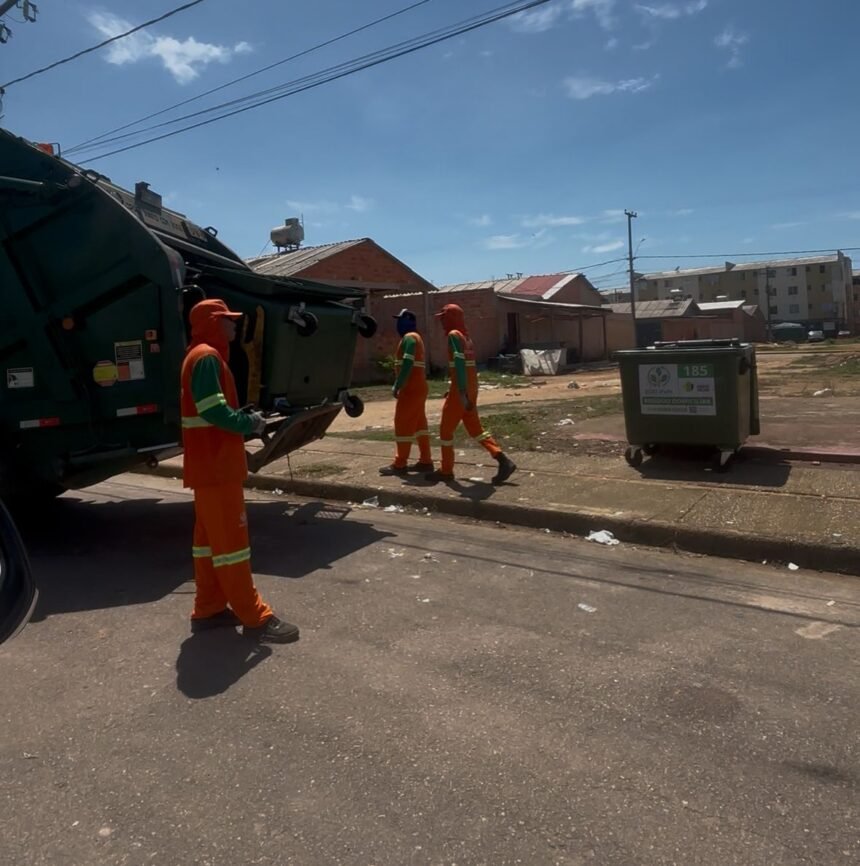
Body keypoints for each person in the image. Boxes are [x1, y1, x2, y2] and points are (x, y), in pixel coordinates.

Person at [180, 298, 299, 643]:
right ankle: (255, 618)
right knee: (232, 545)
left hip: (208, 467)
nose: (234, 326)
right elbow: (212, 411)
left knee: (208, 544)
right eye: (228, 321)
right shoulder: (206, 357)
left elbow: (208, 410)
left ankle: (209, 609)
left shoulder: (198, 355)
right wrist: (249, 422)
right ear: (214, 323)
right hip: (217, 468)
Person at [429, 303, 516, 485]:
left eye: (444, 318)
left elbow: (459, 365)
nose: (442, 322)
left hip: (461, 391)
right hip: (471, 387)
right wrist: (460, 388)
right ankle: (503, 460)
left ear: (452, 318)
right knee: (476, 429)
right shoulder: (466, 338)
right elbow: (467, 368)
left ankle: (446, 471)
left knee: (445, 431)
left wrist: (460, 392)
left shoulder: (454, 336)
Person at [380, 308, 434, 476]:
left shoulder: (410, 338)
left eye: (400, 320)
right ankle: (426, 461)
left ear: (408, 321)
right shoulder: (416, 338)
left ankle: (400, 464)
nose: (398, 323)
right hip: (419, 387)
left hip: (410, 388)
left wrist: (398, 384)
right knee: (420, 426)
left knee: (402, 424)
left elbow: (407, 363)